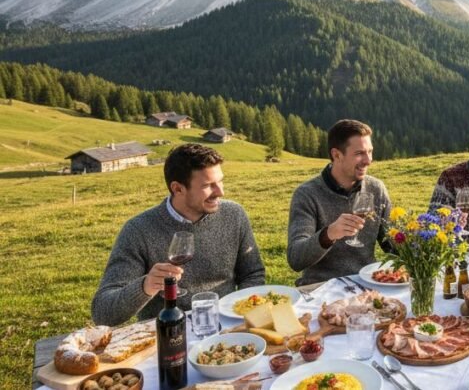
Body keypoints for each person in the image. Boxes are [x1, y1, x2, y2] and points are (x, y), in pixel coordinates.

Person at [91, 144, 265, 326]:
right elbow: (103, 313)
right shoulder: (138, 230)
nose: (220, 192)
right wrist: (145, 286)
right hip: (168, 335)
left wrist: (238, 314)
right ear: (178, 189)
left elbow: (253, 273)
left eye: (220, 181)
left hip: (227, 327)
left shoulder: (233, 214)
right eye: (208, 185)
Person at [287, 119, 393, 286]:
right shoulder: (307, 195)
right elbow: (296, 259)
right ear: (336, 155)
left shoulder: (376, 189)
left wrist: (422, 242)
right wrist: (328, 234)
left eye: (370, 151)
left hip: (366, 286)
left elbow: (392, 244)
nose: (368, 160)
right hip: (320, 289)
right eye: (359, 154)